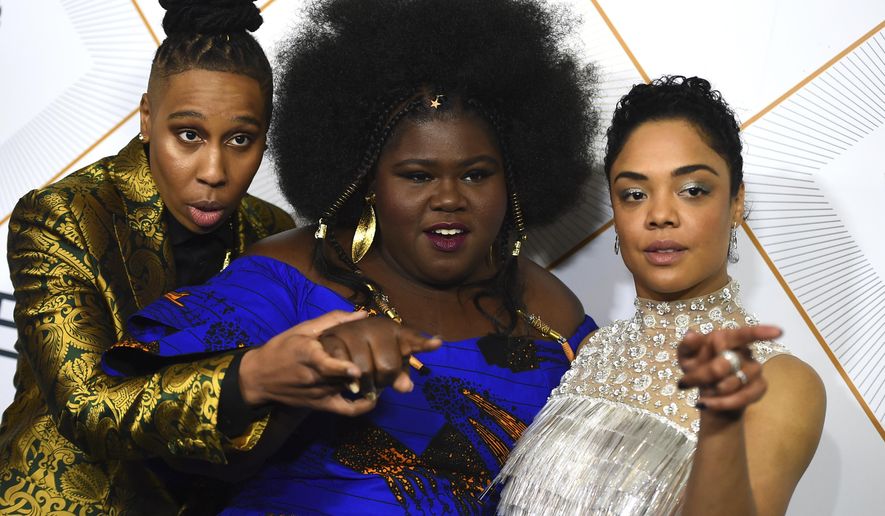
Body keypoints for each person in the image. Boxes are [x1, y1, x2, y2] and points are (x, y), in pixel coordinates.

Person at [100, 0, 601, 512]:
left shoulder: (551, 315)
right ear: (368, 184)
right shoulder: (291, 276)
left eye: (476, 174)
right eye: (418, 176)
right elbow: (142, 422)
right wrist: (285, 380)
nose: (449, 198)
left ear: (515, 181)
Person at [0, 1, 300, 513]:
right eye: (188, 135)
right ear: (146, 119)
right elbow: (86, 407)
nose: (213, 170)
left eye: (240, 140)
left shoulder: (272, 231)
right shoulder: (62, 215)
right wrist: (248, 379)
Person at [493, 76, 826, 515]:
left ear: (736, 203)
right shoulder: (594, 350)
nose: (660, 215)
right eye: (634, 194)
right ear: (616, 214)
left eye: (692, 190)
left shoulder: (779, 384)